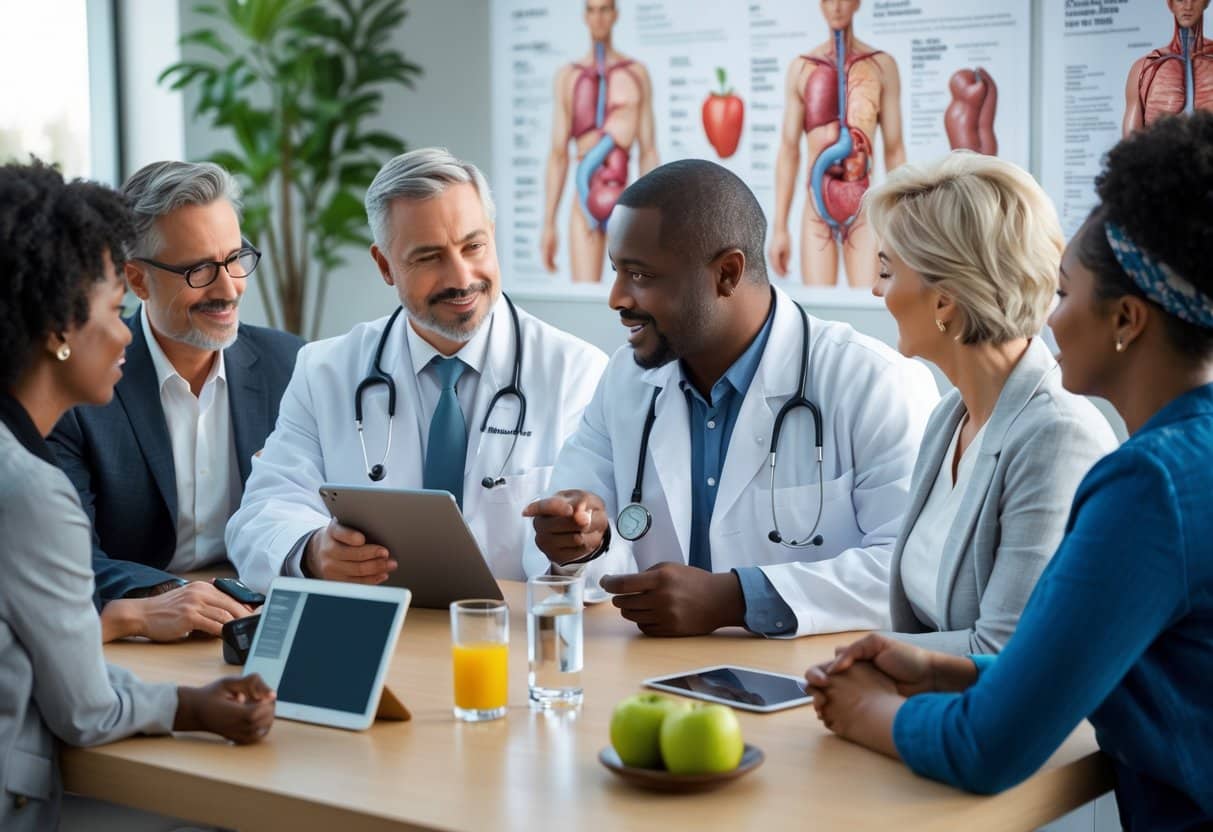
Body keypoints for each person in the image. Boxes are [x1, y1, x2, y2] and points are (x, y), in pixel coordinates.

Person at [805, 113, 1213, 830]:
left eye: (1064, 294)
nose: (1046, 320)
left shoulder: (1149, 485)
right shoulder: (1187, 459)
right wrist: (953, 670)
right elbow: (1086, 658)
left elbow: (987, 746)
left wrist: (863, 711)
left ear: (1125, 320)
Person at [524, 158, 939, 638]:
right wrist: (579, 543)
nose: (617, 297)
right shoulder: (626, 378)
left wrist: (737, 599)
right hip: (657, 671)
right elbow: (575, 552)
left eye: (640, 275)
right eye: (618, 271)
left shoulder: (874, 382)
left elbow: (912, 571)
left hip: (810, 677)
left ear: (727, 273)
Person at [0, 161, 274, 832]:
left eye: (233, 260)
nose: (124, 332)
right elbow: (85, 710)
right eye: (112, 311)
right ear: (59, 332)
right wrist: (193, 705)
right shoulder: (31, 492)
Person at [228, 148, 608, 591]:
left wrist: (577, 550)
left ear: (493, 236)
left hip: (509, 627)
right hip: (377, 623)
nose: (461, 278)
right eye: (429, 257)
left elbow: (607, 546)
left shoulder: (575, 372)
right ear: (385, 265)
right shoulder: (325, 371)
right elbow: (261, 514)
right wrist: (312, 551)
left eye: (474, 246)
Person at [866, 152, 1117, 654]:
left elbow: (1006, 648)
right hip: (919, 696)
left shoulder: (1059, 437)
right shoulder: (948, 417)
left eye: (887, 272)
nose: (876, 290)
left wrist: (862, 656)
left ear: (944, 300)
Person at [47, 161, 303, 643]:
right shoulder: (82, 387)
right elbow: (69, 558)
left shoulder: (291, 365)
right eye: (199, 270)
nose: (228, 289)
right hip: (146, 635)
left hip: (266, 617)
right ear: (137, 280)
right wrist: (170, 594)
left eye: (235, 259)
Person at [769, 0, 904, 288]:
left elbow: (894, 150)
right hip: (817, 211)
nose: (837, 7)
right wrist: (780, 228)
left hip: (863, 209)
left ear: (857, 3)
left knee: (867, 301)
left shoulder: (882, 66)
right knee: (819, 306)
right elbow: (789, 150)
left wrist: (903, 224)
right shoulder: (801, 69)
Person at [541, 0, 658, 284]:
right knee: (585, 289)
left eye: (604, 9)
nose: (598, 18)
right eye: (592, 10)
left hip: (626, 197)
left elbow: (648, 150)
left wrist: (654, 216)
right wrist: (548, 223)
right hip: (584, 198)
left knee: (636, 292)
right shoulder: (567, 77)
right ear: (585, 16)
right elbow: (558, 155)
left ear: (614, 14)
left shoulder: (636, 74)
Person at [1122, 0, 1212, 135]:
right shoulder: (1144, 69)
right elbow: (1130, 143)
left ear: (1206, 2)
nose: (1188, 6)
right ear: (1170, 4)